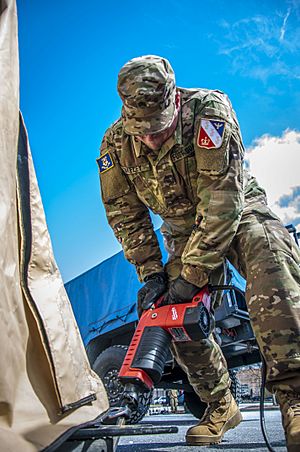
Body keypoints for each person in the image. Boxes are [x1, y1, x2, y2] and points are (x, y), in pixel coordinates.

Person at [97, 55, 300, 450]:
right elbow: (126, 216)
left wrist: (194, 275)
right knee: (170, 313)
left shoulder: (209, 111)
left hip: (239, 209)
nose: (151, 138)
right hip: (181, 231)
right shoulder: (114, 144)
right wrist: (152, 274)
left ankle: (296, 398)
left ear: (174, 101)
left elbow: (223, 202)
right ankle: (220, 405)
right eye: (142, 131)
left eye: (158, 128)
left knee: (270, 256)